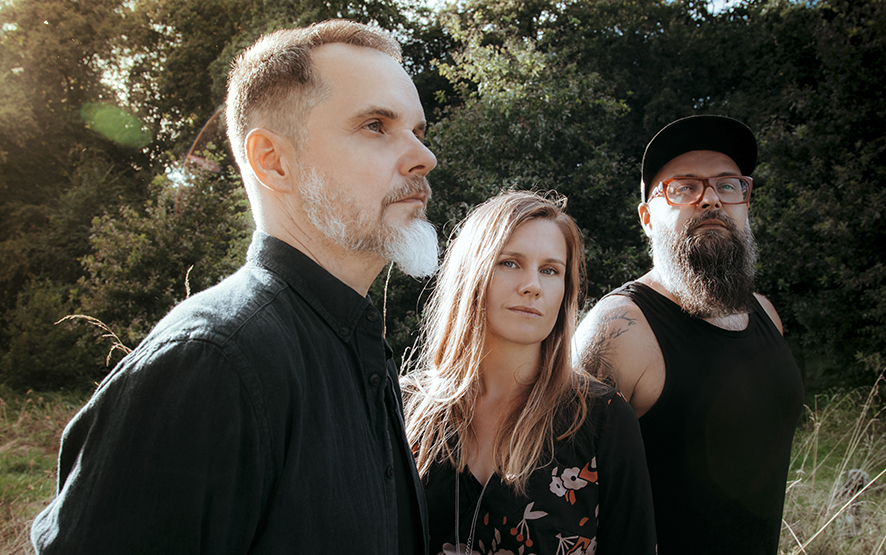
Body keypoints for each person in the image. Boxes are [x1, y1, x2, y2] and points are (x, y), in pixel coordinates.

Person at [32, 20, 438, 554]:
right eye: (376, 125)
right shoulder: (213, 363)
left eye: (418, 132)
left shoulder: (359, 350)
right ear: (273, 161)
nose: (424, 157)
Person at [574, 115, 805, 554]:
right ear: (647, 218)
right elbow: (564, 494)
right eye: (684, 188)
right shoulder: (619, 331)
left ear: (744, 203)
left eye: (728, 185)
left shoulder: (765, 313)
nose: (711, 199)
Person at [403, 191, 657, 555]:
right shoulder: (404, 406)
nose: (533, 286)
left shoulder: (601, 418)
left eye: (550, 270)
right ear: (471, 272)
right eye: (510, 263)